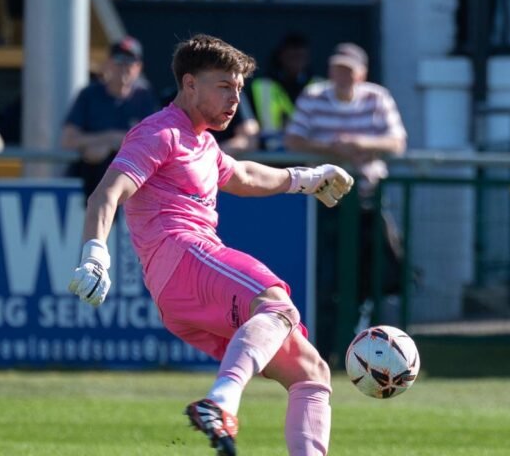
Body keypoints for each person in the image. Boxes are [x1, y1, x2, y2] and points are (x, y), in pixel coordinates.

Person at [67, 34, 353, 455]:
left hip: (177, 291)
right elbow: (106, 194)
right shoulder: (159, 132)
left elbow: (246, 176)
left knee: (311, 372)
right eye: (224, 86)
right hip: (184, 256)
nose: (234, 98)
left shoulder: (201, 141)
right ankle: (221, 402)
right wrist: (95, 252)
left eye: (238, 88)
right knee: (277, 303)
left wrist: (308, 178)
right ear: (189, 84)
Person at [284, 42, 407, 358]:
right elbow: (293, 139)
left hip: (369, 201)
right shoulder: (313, 97)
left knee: (379, 278)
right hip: (326, 203)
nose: (341, 75)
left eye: (348, 70)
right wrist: (333, 151)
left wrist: (361, 143)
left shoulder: (377, 97)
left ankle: (378, 351)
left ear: (362, 73)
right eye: (337, 68)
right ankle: (324, 351)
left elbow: (396, 142)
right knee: (327, 280)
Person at [61, 36, 158, 200]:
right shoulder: (89, 95)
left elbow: (155, 142)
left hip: (133, 184)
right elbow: (68, 139)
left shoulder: (144, 97)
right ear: (107, 64)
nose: (124, 67)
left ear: (139, 67)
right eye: (119, 60)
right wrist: (101, 143)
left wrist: (113, 142)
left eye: (130, 61)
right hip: (89, 185)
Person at [249, 33, 318, 151]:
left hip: (309, 152)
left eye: (300, 57)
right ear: (281, 56)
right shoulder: (262, 85)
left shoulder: (318, 86)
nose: (296, 62)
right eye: (292, 57)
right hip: (270, 153)